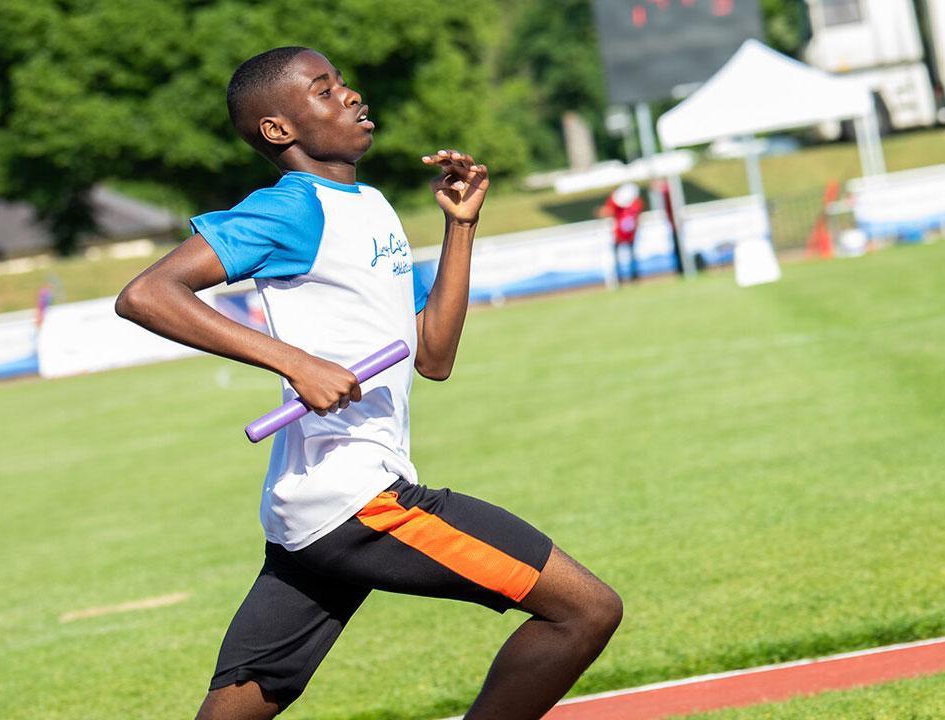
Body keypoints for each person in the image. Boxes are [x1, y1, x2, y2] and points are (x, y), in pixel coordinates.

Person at [112, 47, 621, 720]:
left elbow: (433, 353)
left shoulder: (372, 206)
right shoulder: (290, 210)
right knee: (584, 611)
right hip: (354, 499)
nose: (350, 96)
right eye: (325, 91)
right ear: (277, 130)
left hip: (313, 503)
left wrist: (459, 226)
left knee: (238, 707)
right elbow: (147, 294)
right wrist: (294, 361)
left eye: (343, 83)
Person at [597, 182, 643, 285]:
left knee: (632, 256)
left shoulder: (636, 202)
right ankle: (619, 279)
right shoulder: (614, 201)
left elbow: (636, 216)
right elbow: (607, 212)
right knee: (618, 258)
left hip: (630, 234)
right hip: (617, 235)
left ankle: (634, 277)